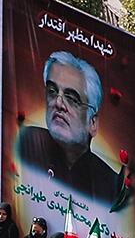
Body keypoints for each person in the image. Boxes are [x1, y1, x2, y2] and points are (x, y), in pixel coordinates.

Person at [12, 52, 124, 208]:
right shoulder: (25, 142)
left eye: (71, 98)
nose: (58, 103)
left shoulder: (111, 186)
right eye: (52, 92)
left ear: (92, 123)